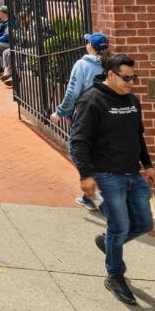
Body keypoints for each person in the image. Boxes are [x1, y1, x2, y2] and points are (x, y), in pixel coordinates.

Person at [69, 54, 155, 306]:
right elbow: (79, 141)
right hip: (106, 176)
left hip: (133, 174)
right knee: (119, 227)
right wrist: (85, 176)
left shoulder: (132, 100)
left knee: (144, 224)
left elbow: (138, 136)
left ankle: (107, 242)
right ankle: (114, 275)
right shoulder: (92, 100)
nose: (131, 83)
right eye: (126, 78)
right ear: (110, 74)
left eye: (134, 77)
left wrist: (148, 165)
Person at [51, 33, 110, 211]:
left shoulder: (82, 65)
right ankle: (92, 197)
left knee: (78, 153)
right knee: (97, 154)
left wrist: (61, 112)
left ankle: (94, 197)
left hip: (85, 115)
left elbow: (72, 93)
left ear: (90, 46)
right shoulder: (110, 64)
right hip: (106, 114)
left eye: (88, 42)